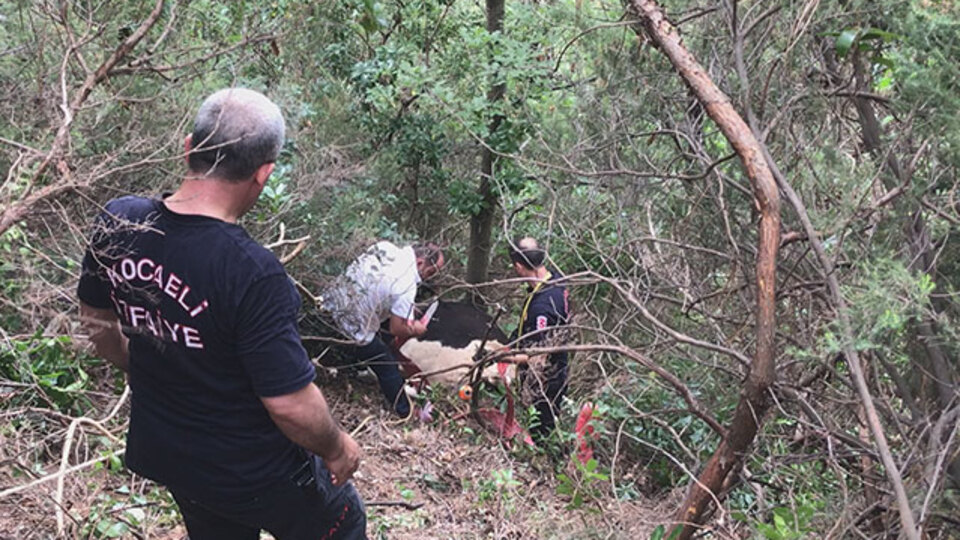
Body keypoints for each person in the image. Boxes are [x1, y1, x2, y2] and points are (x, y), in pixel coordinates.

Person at [77, 88, 365, 540]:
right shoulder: (251, 271)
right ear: (264, 174)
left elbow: (96, 321)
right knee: (344, 520)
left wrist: (149, 360)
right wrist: (338, 447)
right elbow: (290, 405)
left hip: (173, 459)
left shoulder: (120, 222)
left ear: (189, 148)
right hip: (253, 472)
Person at [324, 241, 444, 417]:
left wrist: (405, 308)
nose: (430, 277)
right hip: (351, 328)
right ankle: (405, 411)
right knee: (387, 365)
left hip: (331, 304)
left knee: (381, 331)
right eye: (431, 271)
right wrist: (415, 329)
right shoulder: (407, 283)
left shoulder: (384, 247)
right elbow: (397, 329)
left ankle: (361, 369)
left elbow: (379, 289)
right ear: (419, 262)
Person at [508, 236, 570, 442]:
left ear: (519, 266)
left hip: (546, 380)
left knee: (540, 434)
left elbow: (538, 357)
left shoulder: (543, 307)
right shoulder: (556, 279)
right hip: (554, 368)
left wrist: (502, 357)